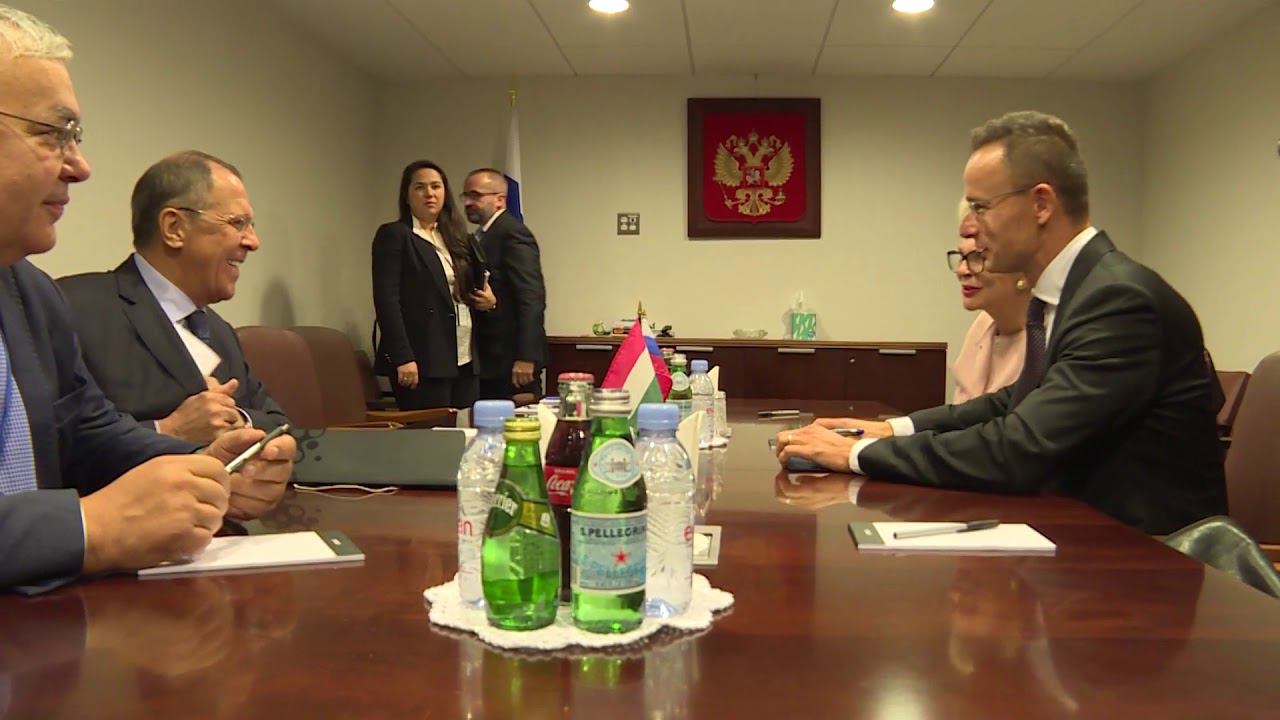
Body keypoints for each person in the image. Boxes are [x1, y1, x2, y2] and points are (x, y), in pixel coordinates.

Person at [776, 110, 1226, 535]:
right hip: (1081, 534)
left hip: (1145, 560)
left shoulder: (1119, 300)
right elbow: (1014, 402)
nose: (968, 228)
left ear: (1041, 204)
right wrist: (894, 429)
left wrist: (857, 453)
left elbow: (1021, 446)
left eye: (980, 206)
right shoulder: (1076, 291)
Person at [0, 5, 294, 593]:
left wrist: (203, 469)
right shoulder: (80, 301)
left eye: (76, 138)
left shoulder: (30, 295)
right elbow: (91, 511)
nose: (81, 167)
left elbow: (86, 434)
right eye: (52, 133)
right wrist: (89, 526)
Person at [58, 151, 288, 443]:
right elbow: (50, 441)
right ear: (174, 228)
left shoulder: (220, 332)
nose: (253, 242)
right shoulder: (74, 308)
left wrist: (238, 420)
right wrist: (168, 430)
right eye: (237, 223)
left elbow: (279, 423)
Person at [372, 160, 494, 410]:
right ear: (407, 196)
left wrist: (489, 301)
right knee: (433, 430)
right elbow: (386, 301)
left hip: (464, 354)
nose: (430, 193)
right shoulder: (396, 235)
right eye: (420, 187)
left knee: (465, 429)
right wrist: (403, 357)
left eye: (436, 187)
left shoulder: (458, 238)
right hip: (422, 358)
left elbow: (470, 290)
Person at [462, 168, 547, 401]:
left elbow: (531, 298)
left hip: (511, 362)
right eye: (466, 196)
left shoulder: (512, 233)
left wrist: (526, 356)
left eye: (476, 195)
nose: (468, 202)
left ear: (499, 200)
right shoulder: (481, 236)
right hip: (488, 359)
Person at [949, 199, 1029, 403]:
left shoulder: (1047, 340)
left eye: (979, 258)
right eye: (961, 257)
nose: (962, 270)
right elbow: (960, 415)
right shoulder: (983, 324)